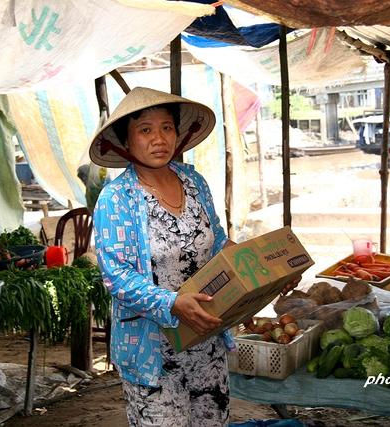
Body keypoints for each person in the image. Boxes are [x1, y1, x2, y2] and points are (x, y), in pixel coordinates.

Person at [90, 87, 299, 427]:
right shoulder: (116, 199)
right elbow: (117, 277)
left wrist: (268, 272)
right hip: (153, 350)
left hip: (206, 339)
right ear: (126, 141)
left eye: (167, 128)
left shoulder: (193, 182)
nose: (159, 138)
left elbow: (217, 244)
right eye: (145, 130)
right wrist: (173, 303)